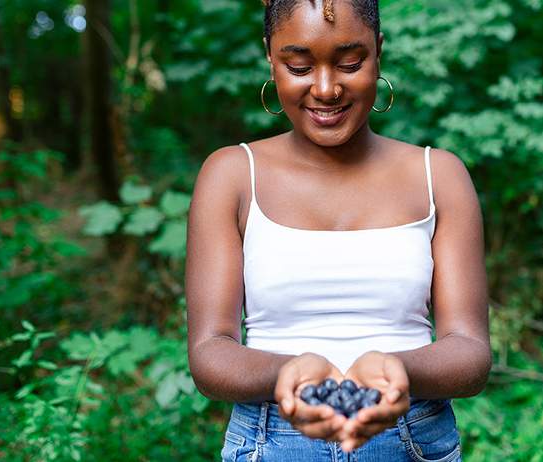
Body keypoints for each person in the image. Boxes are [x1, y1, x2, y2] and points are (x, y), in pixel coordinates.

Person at [185, 0, 490, 460]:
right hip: (270, 441)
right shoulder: (231, 175)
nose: (326, 89)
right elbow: (210, 352)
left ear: (379, 51)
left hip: (414, 439)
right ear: (270, 56)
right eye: (299, 65)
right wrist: (289, 374)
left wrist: (395, 369)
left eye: (350, 63)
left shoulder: (438, 176)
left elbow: (470, 353)